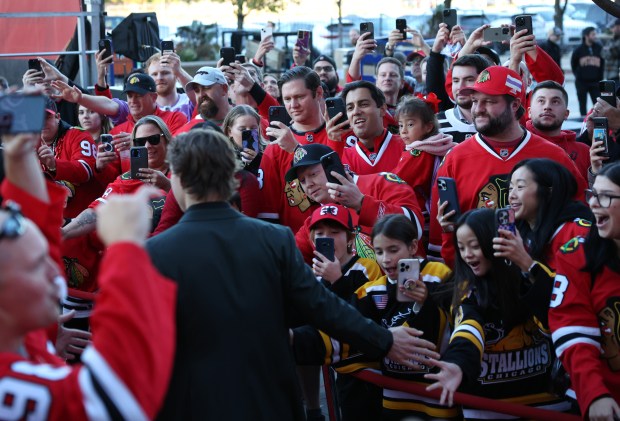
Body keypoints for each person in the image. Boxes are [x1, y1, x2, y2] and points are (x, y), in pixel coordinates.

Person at [145, 129, 440, 420]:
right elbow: (323, 307)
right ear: (229, 177)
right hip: (268, 400)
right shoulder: (275, 239)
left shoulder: (153, 255)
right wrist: (385, 340)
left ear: (178, 179)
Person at [0, 130, 176, 420]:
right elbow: (120, 401)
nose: (57, 278)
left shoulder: (16, 333)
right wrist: (125, 249)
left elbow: (39, 239)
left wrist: (40, 342)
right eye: (36, 266)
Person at [294, 214, 456, 420]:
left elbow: (452, 324)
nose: (385, 259)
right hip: (393, 397)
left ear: (414, 247)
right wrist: (291, 340)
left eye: (393, 250)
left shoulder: (438, 274)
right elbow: (347, 328)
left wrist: (427, 302)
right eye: (379, 252)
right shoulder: (372, 290)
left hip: (439, 397)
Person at [428, 66, 588, 266]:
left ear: (515, 106)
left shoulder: (554, 156)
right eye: (476, 100)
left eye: (490, 101)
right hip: (478, 283)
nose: (478, 109)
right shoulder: (455, 159)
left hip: (539, 281)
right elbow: (440, 240)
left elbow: (580, 222)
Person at [424, 209, 572, 418]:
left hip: (549, 407)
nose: (467, 254)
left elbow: (557, 318)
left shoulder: (536, 275)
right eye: (462, 248)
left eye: (475, 246)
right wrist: (457, 363)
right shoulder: (465, 291)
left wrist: (527, 266)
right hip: (487, 409)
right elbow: (467, 329)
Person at [549, 162, 620, 420]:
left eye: (605, 196)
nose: (593, 204)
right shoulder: (576, 254)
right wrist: (595, 395)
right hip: (601, 402)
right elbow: (574, 331)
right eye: (592, 195)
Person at [289, 143, 424, 264]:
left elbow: (414, 228)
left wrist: (361, 203)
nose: (309, 185)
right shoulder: (313, 222)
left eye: (313, 174)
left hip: (407, 286)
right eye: (302, 181)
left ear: (333, 167)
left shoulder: (381, 183)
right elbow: (288, 261)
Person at [507, 158, 592, 269]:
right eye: (510, 188)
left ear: (549, 192)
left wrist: (528, 264)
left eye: (520, 187)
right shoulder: (517, 231)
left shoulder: (578, 232)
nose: (511, 196)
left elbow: (575, 284)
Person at [392, 95, 456, 235]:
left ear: (428, 127)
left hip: (420, 215)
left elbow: (397, 181)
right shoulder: (436, 146)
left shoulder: (418, 154)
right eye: (401, 125)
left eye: (410, 124)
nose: (403, 131)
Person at [38, 97, 101, 219]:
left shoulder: (78, 135)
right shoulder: (27, 142)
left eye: (47, 117)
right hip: (48, 218)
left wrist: (54, 165)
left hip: (81, 219)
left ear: (58, 117)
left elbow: (86, 171)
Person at [335, 80, 405, 175]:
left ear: (382, 109)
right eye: (350, 108)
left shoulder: (406, 146)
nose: (356, 112)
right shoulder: (341, 155)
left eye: (364, 104)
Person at [526, 81, 591, 178]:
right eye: (541, 101)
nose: (547, 107)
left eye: (555, 101)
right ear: (529, 112)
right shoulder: (518, 144)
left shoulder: (585, 152)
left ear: (566, 114)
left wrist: (594, 172)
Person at [571, 27, 604, 116]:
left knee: (598, 105)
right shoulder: (578, 50)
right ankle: (583, 124)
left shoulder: (599, 48)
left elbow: (602, 64)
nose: (595, 36)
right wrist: (578, 75)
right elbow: (573, 64)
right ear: (586, 36)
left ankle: (598, 122)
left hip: (595, 82)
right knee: (582, 105)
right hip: (581, 82)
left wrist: (600, 79)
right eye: (593, 34)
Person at [603, 19, 620, 83]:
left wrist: (609, 49)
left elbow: (616, 52)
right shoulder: (611, 40)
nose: (616, 29)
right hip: (611, 75)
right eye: (616, 27)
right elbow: (603, 54)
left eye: (618, 27)